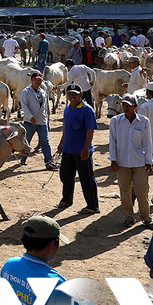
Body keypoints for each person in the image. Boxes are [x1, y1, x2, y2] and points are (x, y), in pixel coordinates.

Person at [108, 94, 153, 229]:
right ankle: (129, 218)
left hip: (139, 162)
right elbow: (113, 142)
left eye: (128, 105)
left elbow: (148, 143)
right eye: (123, 105)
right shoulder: (116, 121)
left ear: (136, 107)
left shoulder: (144, 121)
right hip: (122, 163)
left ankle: (146, 218)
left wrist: (148, 161)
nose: (125, 108)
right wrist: (113, 160)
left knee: (142, 191)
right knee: (125, 192)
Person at [56, 85, 100, 214]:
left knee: (86, 178)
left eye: (75, 94)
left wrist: (86, 148)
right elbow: (65, 127)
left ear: (81, 95)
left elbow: (90, 130)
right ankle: (66, 200)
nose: (72, 97)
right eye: (70, 94)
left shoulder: (87, 110)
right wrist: (61, 142)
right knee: (66, 176)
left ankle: (92, 205)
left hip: (82, 151)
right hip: (68, 149)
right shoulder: (68, 108)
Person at [19, 71, 57, 170]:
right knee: (27, 141)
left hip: (42, 121)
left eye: (40, 80)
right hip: (29, 121)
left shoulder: (43, 92)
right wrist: (31, 117)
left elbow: (45, 107)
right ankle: (23, 158)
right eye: (36, 80)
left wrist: (47, 120)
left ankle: (49, 162)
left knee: (45, 142)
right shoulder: (25, 92)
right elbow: (24, 107)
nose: (38, 82)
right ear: (32, 80)